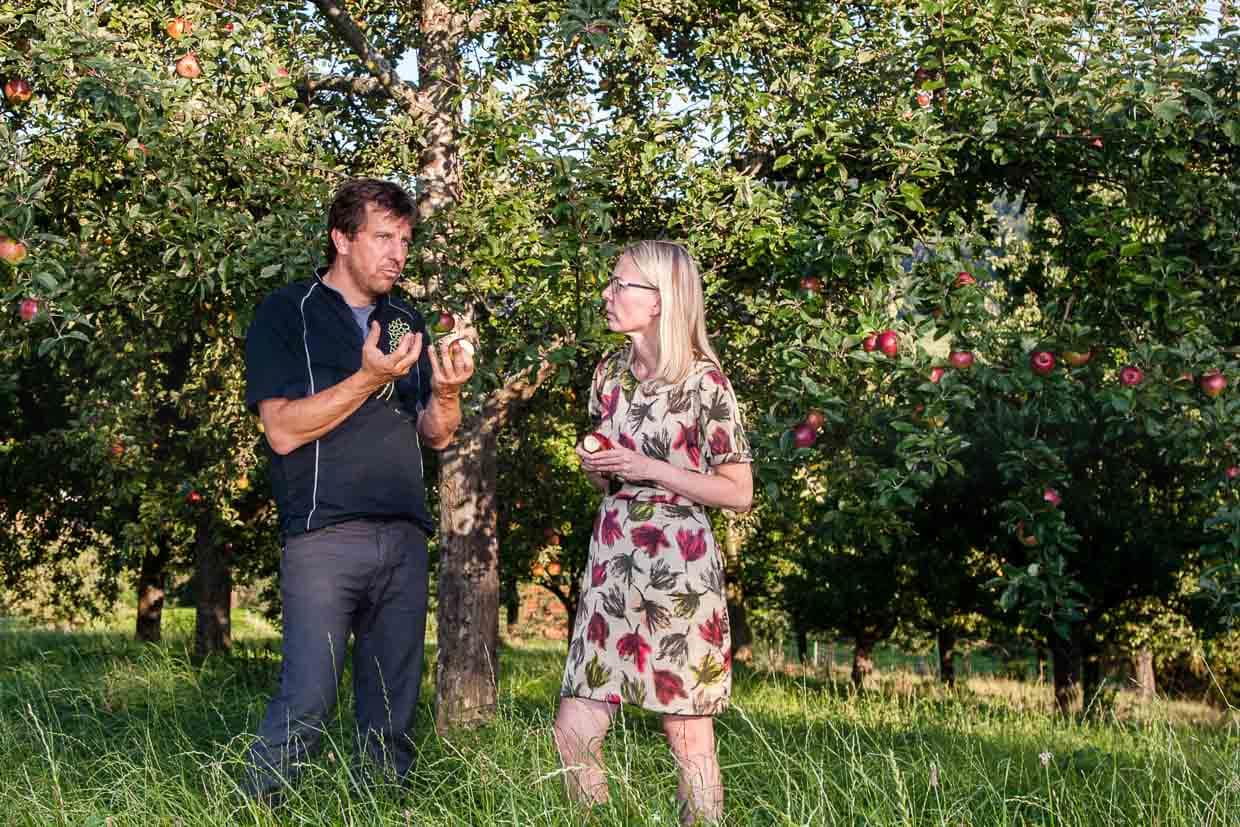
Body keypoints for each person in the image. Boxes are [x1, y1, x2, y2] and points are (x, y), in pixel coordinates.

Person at [241, 178, 474, 802]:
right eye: (382, 238)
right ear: (342, 239)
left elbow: (436, 434)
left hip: (403, 535)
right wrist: (368, 378)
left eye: (404, 240)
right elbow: (283, 431)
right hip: (324, 536)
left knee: (391, 715)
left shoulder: (408, 321)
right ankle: (254, 811)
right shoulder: (286, 313)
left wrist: (447, 391)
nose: (397, 253)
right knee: (309, 699)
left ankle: (380, 811)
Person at [554, 240, 753, 825]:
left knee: (687, 735)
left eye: (620, 285)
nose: (607, 294)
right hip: (611, 561)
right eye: (611, 283)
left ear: (662, 300)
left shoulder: (704, 383)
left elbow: (738, 492)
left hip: (678, 568)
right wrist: (600, 469)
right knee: (574, 728)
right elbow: (612, 479)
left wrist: (649, 469)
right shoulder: (609, 374)